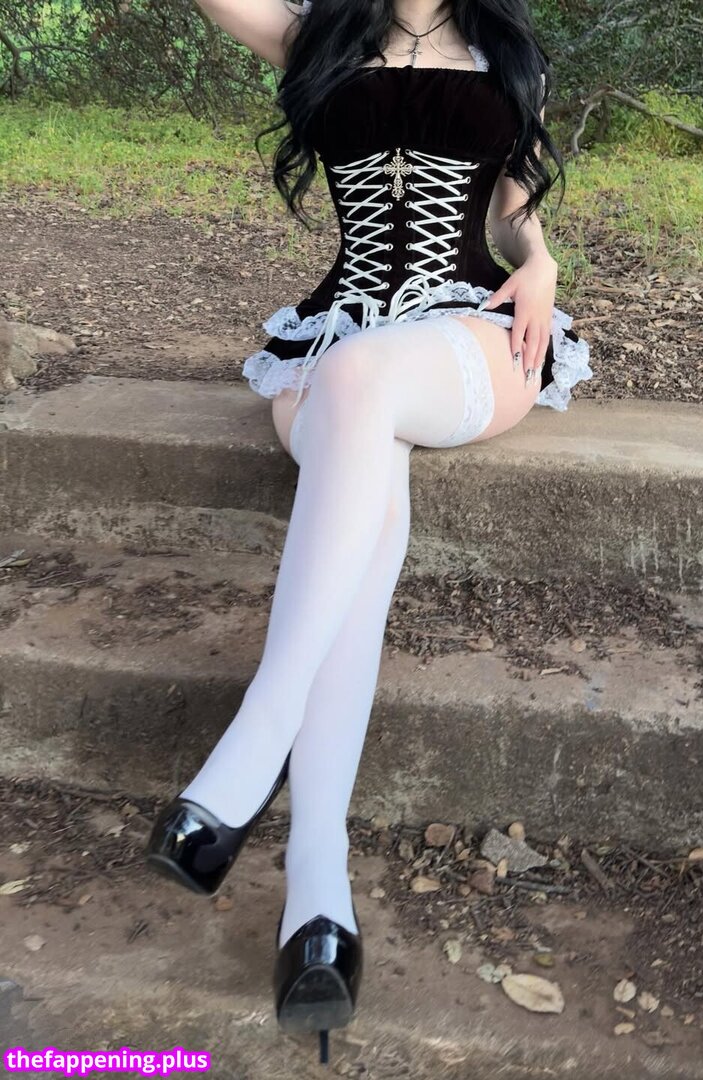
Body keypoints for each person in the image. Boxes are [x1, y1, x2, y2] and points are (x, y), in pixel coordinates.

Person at [144, 0, 592, 1064]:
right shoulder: (316, 33)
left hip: (468, 336)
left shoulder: (507, 52)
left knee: (362, 391)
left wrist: (541, 263)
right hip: (334, 342)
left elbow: (514, 212)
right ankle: (319, 896)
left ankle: (253, 750)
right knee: (364, 467)